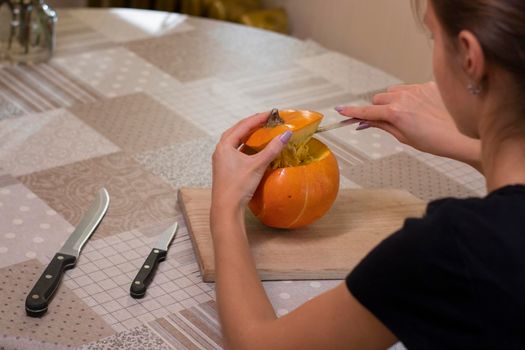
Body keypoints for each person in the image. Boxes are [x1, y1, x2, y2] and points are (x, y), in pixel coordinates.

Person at [210, 0, 525, 348]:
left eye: (433, 36)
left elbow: (257, 345)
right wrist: (481, 148)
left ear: (470, 59)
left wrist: (225, 208)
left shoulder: (451, 249)